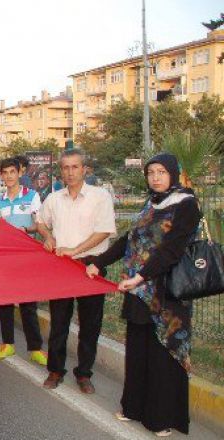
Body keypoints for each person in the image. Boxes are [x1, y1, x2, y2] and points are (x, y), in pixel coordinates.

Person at [86, 153, 199, 436]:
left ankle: (162, 418)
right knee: (138, 351)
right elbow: (128, 241)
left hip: (167, 294)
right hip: (138, 292)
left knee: (163, 355)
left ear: (173, 173)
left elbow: (172, 249)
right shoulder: (150, 203)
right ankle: (134, 407)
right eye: (151, 172)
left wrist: (139, 276)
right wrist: (98, 262)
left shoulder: (186, 204)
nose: (156, 177)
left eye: (161, 172)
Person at [36, 149, 116, 394]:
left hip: (91, 264)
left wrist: (76, 249)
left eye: (75, 167)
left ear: (84, 170)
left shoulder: (100, 196)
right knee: (59, 321)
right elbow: (40, 222)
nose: (70, 172)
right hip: (62, 265)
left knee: (90, 324)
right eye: (65, 168)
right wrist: (48, 237)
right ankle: (55, 370)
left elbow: (104, 231)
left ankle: (84, 374)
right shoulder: (54, 198)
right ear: (60, 171)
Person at [0, 158, 47, 366]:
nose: (8, 176)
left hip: (27, 258)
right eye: (4, 172)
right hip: (6, 259)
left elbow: (38, 224)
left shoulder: (32, 196)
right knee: (5, 302)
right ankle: (8, 343)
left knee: (28, 304)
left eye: (12, 172)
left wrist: (26, 230)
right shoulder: (0, 201)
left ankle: (35, 348)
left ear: (19, 173)